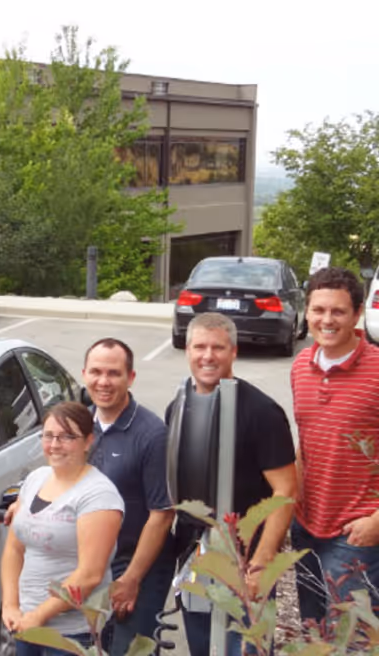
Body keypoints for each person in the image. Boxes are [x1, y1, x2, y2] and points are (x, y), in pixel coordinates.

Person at [166, 312, 297, 656]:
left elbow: (286, 492)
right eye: (199, 347)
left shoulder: (262, 413)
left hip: (245, 559)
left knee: (245, 649)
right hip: (195, 554)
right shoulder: (178, 408)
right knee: (200, 646)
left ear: (234, 352)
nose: (207, 356)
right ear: (187, 349)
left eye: (218, 348)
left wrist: (262, 564)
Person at [290, 267, 379, 626]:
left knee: (355, 639)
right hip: (306, 526)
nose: (327, 320)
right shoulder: (300, 365)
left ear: (357, 314)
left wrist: (376, 521)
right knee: (313, 631)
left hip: (356, 534)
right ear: (307, 312)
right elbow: (305, 444)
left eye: (338, 311)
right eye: (319, 310)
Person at [0, 401, 125, 656]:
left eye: (67, 437)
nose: (55, 444)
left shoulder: (98, 495)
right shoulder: (36, 479)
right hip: (26, 623)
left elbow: (89, 575)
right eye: (48, 436)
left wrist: (39, 614)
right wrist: (11, 605)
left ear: (88, 441)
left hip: (73, 633)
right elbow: (14, 549)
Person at [82, 338, 174, 656]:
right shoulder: (80, 426)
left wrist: (131, 579)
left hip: (136, 565)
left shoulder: (152, 434)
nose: (103, 381)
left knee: (129, 651)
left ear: (130, 378)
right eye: (96, 372)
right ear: (84, 375)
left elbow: (162, 515)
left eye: (114, 373)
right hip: (92, 564)